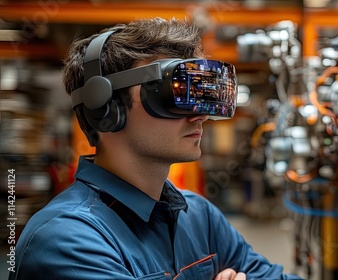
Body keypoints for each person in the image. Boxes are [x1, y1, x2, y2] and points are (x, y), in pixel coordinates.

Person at [9, 17, 302, 280]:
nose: (199, 116)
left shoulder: (199, 216)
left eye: (200, 97)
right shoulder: (66, 239)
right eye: (172, 94)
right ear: (106, 109)